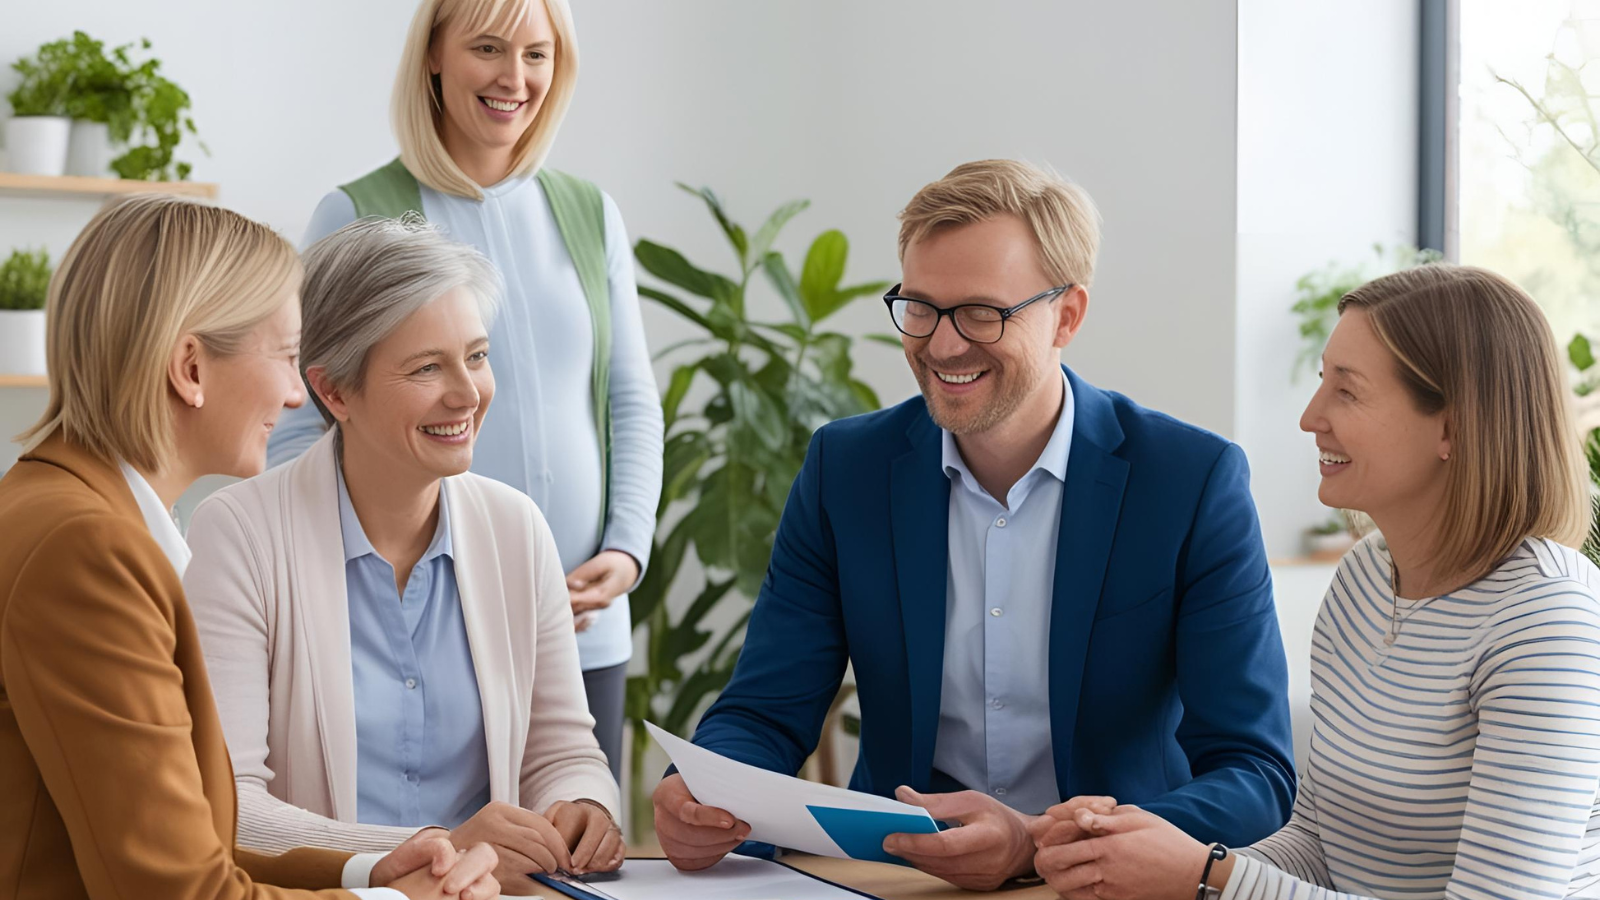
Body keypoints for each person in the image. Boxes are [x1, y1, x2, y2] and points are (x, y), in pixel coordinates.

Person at [651, 159, 1296, 890]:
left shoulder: (1188, 481)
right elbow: (767, 711)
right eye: (920, 307)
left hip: (1102, 885)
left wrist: (1036, 842)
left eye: (983, 313)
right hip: (898, 879)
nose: (944, 345)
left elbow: (1255, 772)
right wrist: (702, 793)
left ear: (1068, 315)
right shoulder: (847, 469)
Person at [1031, 264, 1600, 900]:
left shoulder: (1549, 627)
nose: (1310, 417)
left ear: (1452, 427)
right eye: (1321, 381)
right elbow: (1320, 846)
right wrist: (1151, 851)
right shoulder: (1363, 579)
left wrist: (1203, 875)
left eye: (1347, 392)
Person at [0, 194, 499, 900]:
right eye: (289, 358)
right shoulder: (89, 550)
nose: (301, 397)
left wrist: (368, 870)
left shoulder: (69, 511)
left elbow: (187, 840)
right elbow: (174, 890)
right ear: (191, 370)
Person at [266, 0, 662, 784]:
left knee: (572, 845)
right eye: (488, 48)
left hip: (583, 622)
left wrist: (627, 549)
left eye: (538, 54)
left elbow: (629, 397)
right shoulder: (355, 213)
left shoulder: (589, 213)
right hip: (413, 626)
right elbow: (295, 419)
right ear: (435, 56)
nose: (516, 78)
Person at [185, 218, 623, 895]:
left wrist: (583, 807)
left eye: (476, 356)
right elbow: (232, 807)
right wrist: (440, 850)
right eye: (426, 367)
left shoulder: (517, 529)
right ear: (334, 392)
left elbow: (563, 751)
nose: (467, 393)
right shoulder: (239, 534)